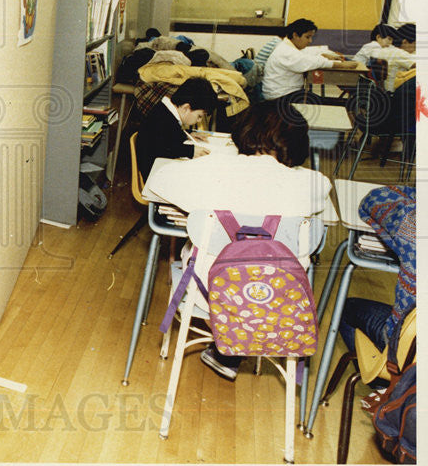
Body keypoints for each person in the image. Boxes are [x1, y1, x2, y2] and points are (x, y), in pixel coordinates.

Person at [143, 100, 332, 380]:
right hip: (276, 298)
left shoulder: (214, 170)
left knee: (201, 250)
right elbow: (322, 184)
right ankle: (232, 349)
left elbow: (158, 180)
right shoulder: (311, 184)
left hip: (211, 293)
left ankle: (226, 346)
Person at [337, 185, 415, 365]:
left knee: (345, 307)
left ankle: (382, 384)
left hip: (404, 351)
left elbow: (376, 198)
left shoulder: (414, 226)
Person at [135, 77, 218, 180]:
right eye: (199, 116)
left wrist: (188, 134)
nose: (199, 121)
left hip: (160, 170)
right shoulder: (163, 119)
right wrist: (190, 151)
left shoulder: (166, 112)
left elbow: (169, 136)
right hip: (156, 178)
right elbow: (162, 148)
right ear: (185, 108)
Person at [261, 18, 358, 101]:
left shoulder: (288, 46)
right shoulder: (286, 51)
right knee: (320, 102)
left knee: (319, 100)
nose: (310, 41)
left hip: (285, 92)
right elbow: (309, 61)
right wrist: (341, 65)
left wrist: (325, 55)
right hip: (280, 96)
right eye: (307, 37)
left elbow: (306, 53)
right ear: (295, 35)